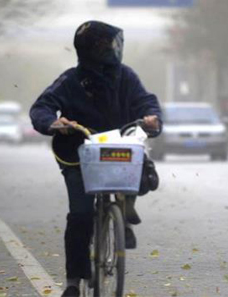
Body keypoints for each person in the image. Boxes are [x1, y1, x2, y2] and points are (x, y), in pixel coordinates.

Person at [29, 21, 162, 297]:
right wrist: (54, 123)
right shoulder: (70, 81)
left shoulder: (126, 76)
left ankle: (123, 211)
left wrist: (152, 118)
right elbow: (42, 108)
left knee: (140, 170)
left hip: (117, 147)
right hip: (77, 154)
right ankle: (73, 281)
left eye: (113, 45)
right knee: (80, 215)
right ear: (90, 50)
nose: (113, 50)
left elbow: (146, 101)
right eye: (106, 46)